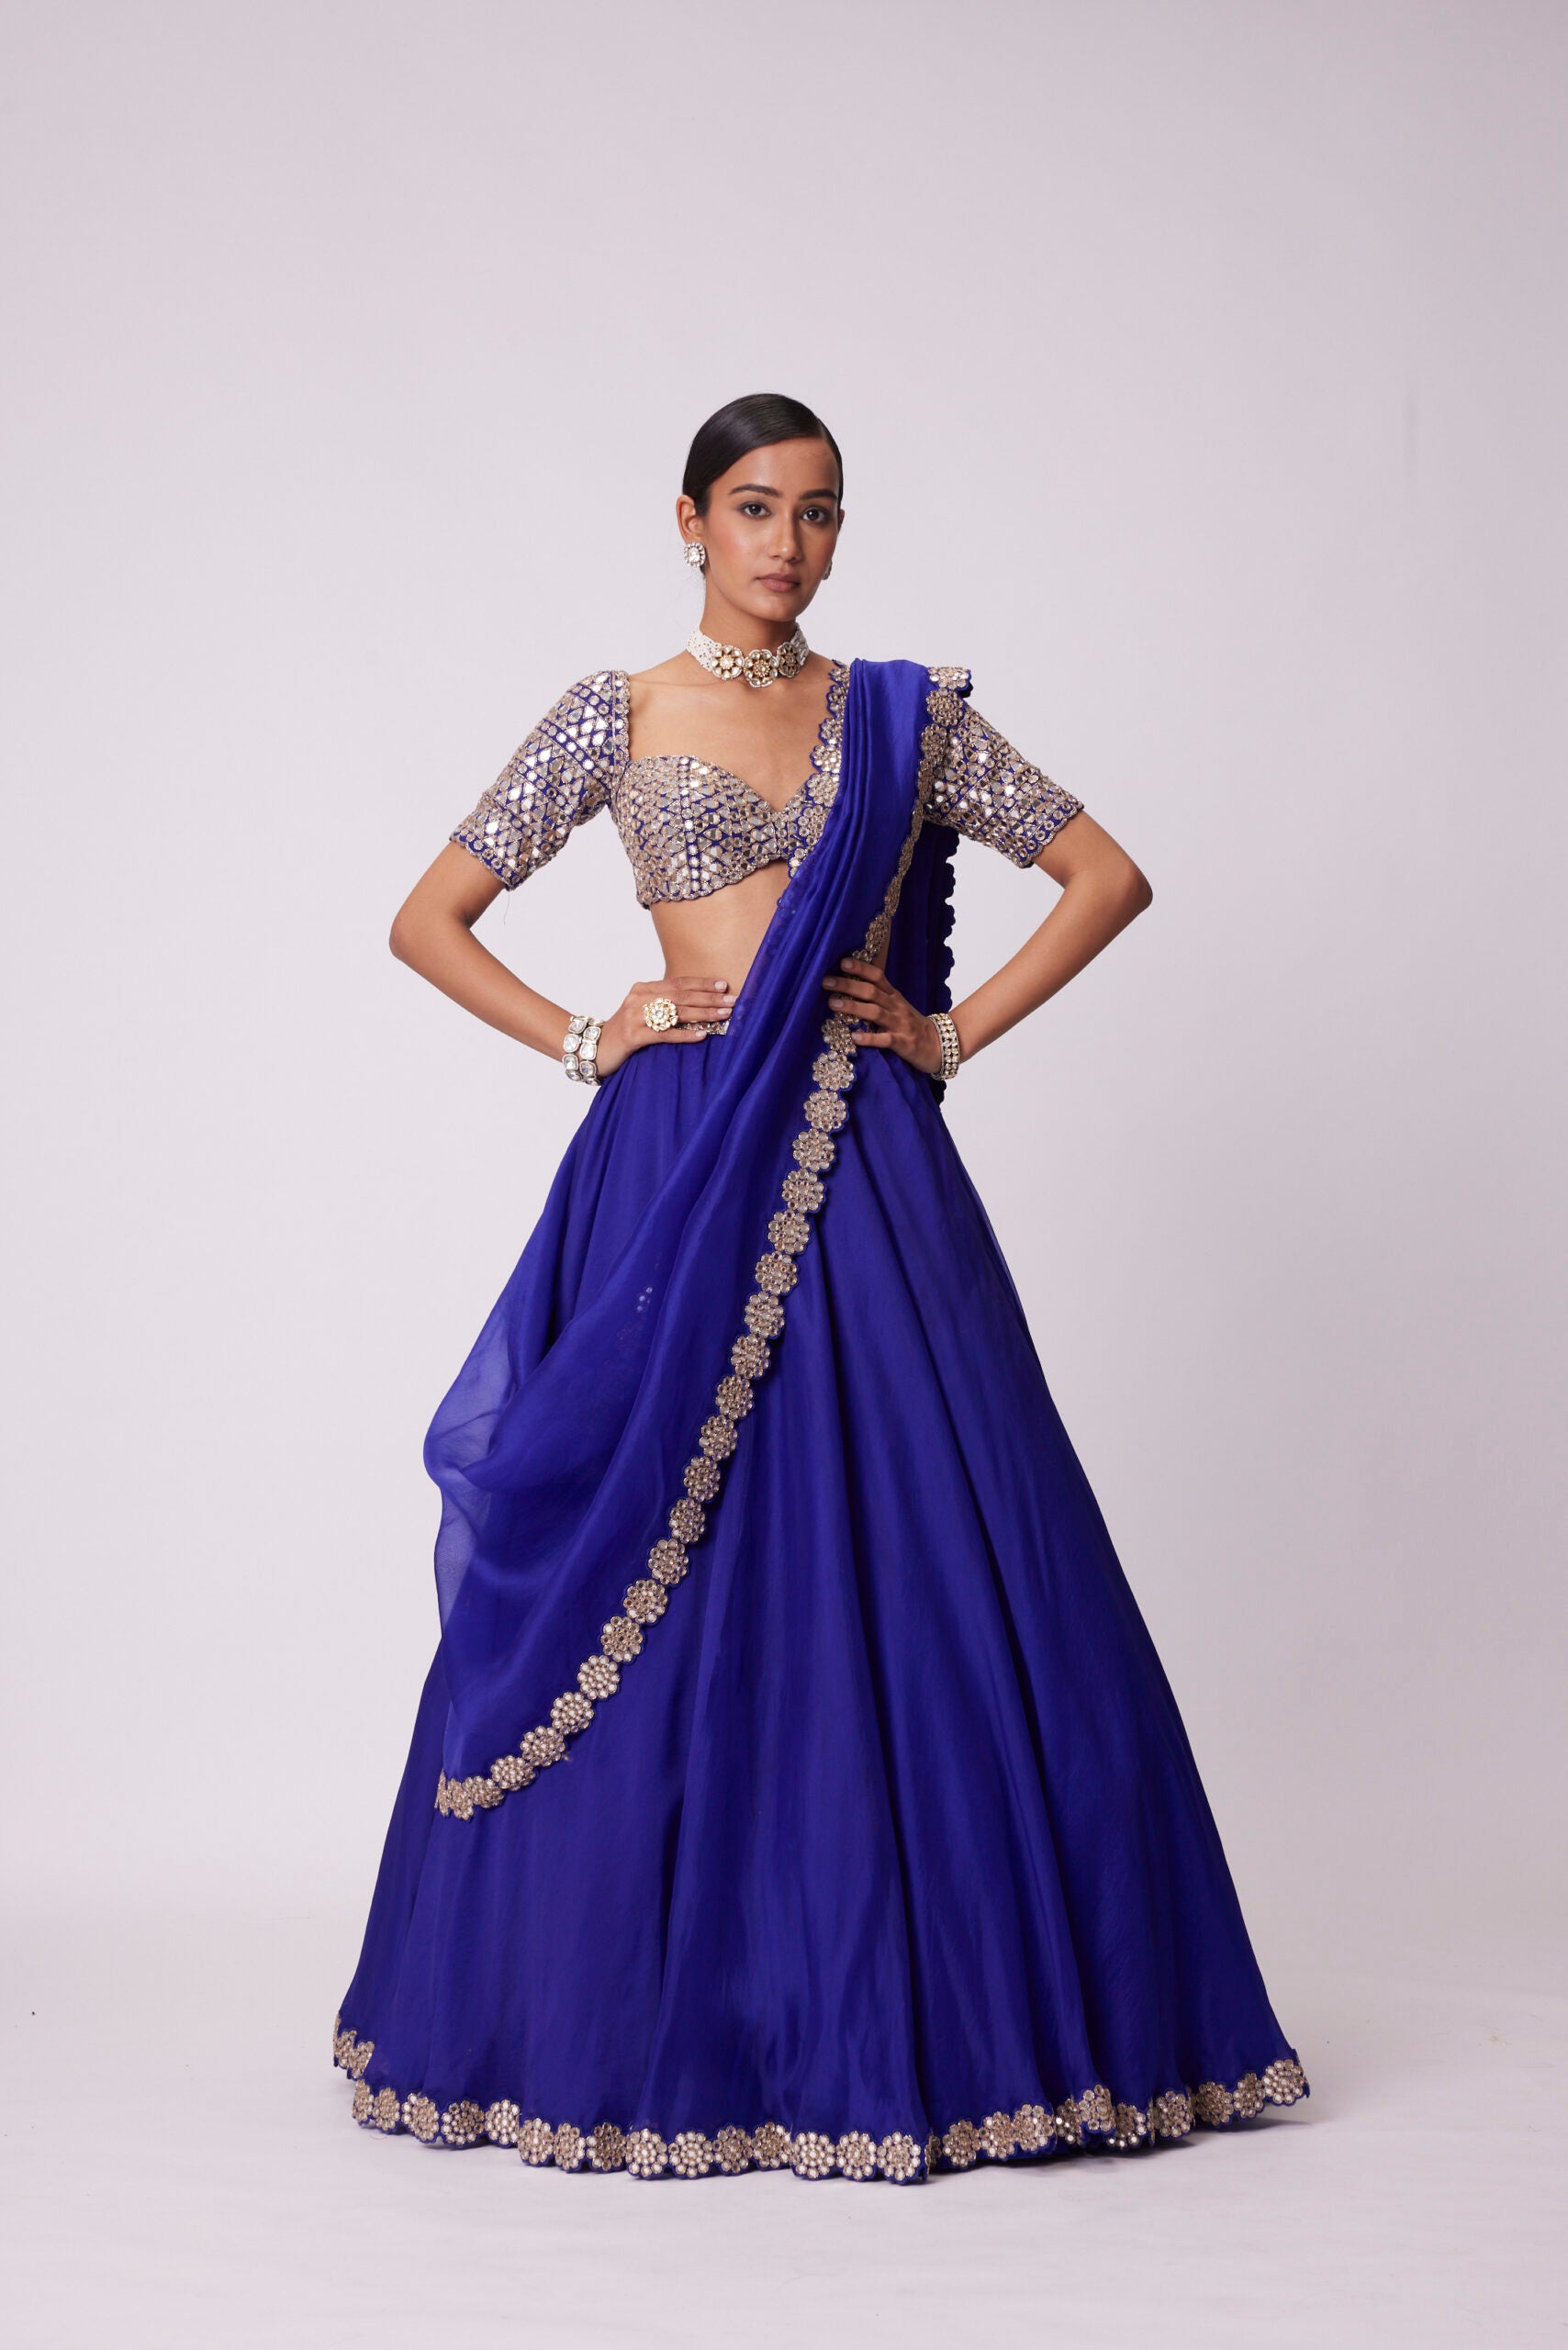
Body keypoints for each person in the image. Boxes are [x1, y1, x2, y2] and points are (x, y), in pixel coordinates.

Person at [332, 392, 1305, 2184]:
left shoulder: (904, 717)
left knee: (928, 1553)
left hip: (866, 1165)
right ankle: (641, 2015)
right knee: (660, 1557)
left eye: (820, 512)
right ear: (690, 520)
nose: (789, 543)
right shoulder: (614, 714)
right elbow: (426, 919)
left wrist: (948, 1029)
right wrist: (590, 1031)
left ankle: (944, 2018)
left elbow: (1105, 876)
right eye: (756, 506)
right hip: (674, 1159)